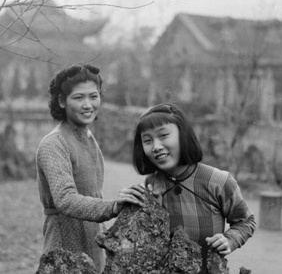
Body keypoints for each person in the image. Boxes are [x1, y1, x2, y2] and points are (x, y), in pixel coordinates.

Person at [36, 64, 145, 273]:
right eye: (78, 98)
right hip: (63, 243)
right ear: (61, 101)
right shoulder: (54, 144)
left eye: (93, 96)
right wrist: (112, 206)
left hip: (93, 241)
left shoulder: (87, 137)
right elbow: (65, 199)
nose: (88, 105)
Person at [132, 103, 256, 273]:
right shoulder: (151, 184)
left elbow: (246, 221)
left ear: (183, 135)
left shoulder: (218, 181)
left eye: (164, 135)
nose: (156, 146)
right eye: (147, 140)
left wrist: (230, 239)